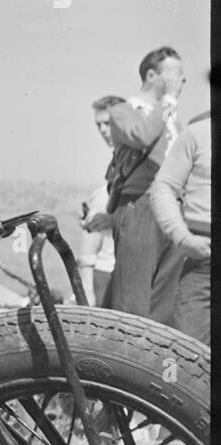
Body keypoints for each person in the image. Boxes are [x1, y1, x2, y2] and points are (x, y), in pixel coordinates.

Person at [103, 47, 187, 323]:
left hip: (174, 209)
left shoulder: (170, 117)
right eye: (173, 73)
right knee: (133, 302)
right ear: (151, 75)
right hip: (142, 206)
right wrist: (169, 100)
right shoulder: (123, 111)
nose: (180, 80)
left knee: (164, 303)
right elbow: (141, 135)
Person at [149, 86, 211, 344]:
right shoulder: (197, 133)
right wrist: (183, 238)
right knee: (189, 354)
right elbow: (163, 187)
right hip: (204, 256)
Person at [77, 95, 124, 306]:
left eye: (108, 123)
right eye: (99, 125)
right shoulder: (114, 165)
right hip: (107, 268)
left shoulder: (137, 161)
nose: (103, 130)